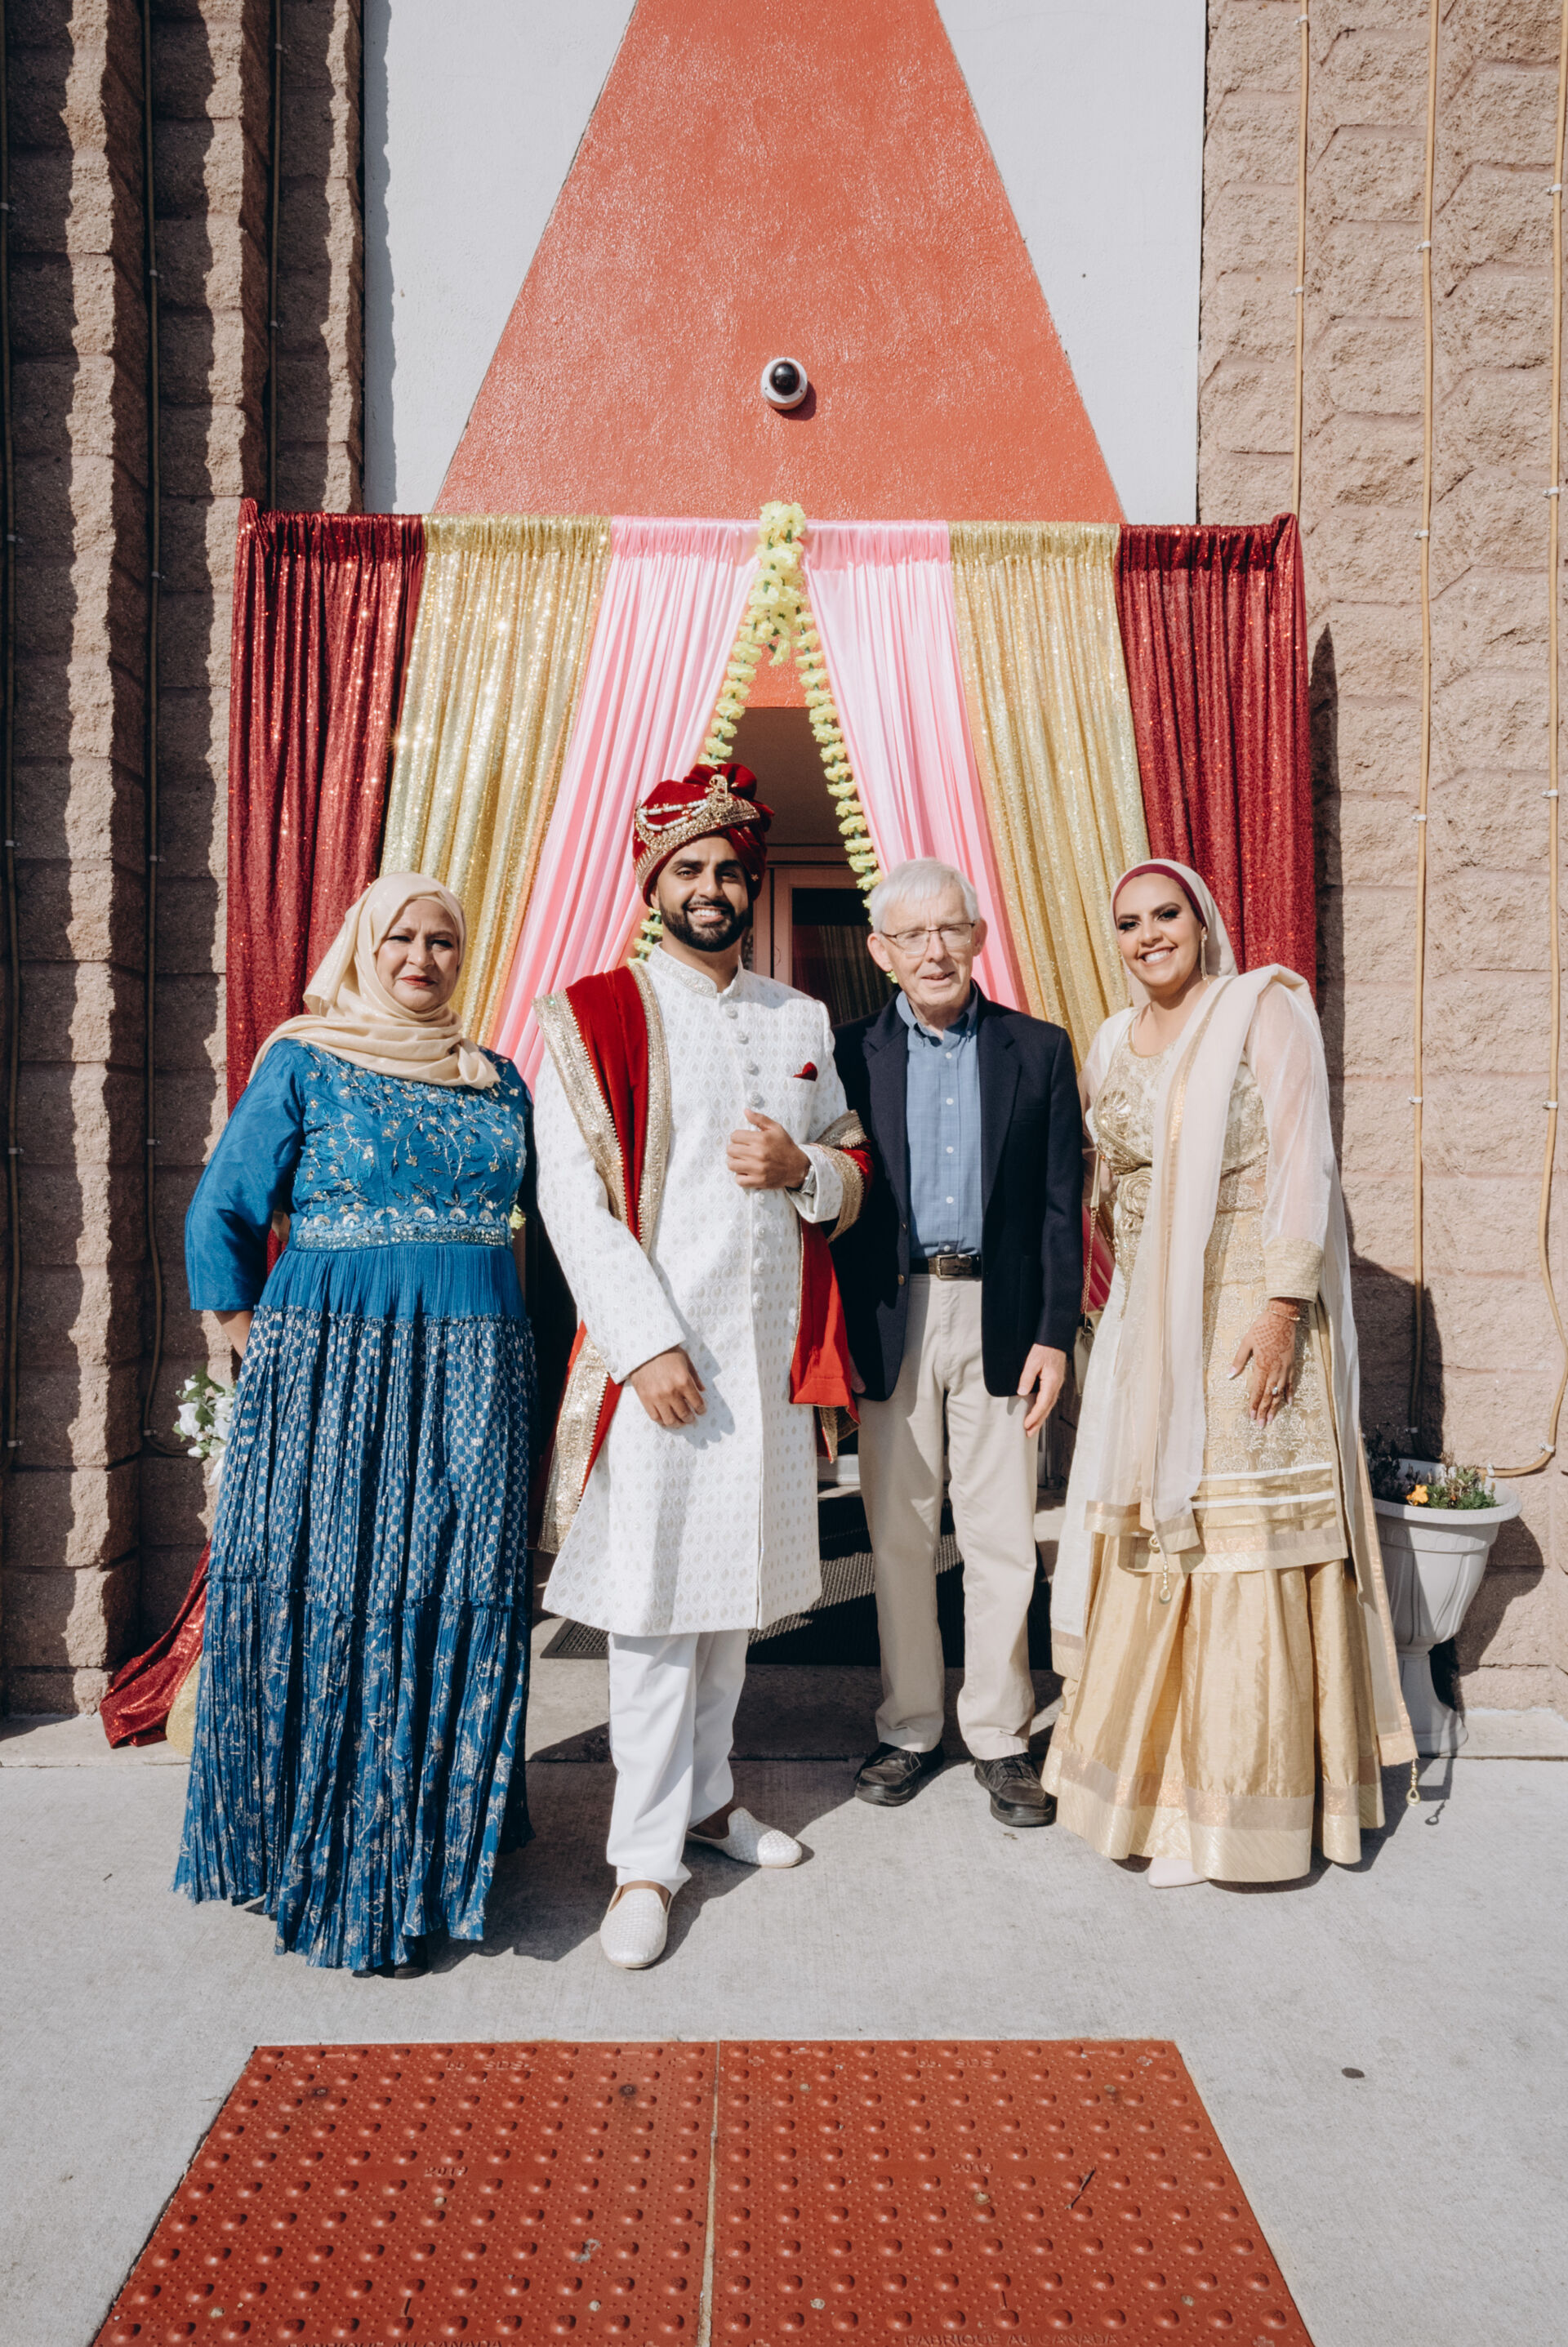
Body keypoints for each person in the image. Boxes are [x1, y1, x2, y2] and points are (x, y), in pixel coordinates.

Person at [533, 762, 871, 1971]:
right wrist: (645, 1346)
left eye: (730, 869)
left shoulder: (799, 1018)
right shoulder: (590, 1014)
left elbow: (848, 1155)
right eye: (690, 870)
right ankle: (642, 1860)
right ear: (653, 886)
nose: (713, 888)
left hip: (768, 1360)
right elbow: (571, 1200)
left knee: (734, 1604)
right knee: (653, 1611)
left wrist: (805, 1171)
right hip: (664, 1362)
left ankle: (713, 1803)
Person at [176, 875, 537, 1973]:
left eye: (444, 941)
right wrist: (248, 1338)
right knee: (348, 1588)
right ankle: (344, 1865)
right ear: (364, 948)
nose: (422, 957)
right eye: (402, 938)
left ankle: (441, 1845)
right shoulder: (307, 1059)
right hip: (337, 1369)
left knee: (453, 1582)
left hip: (477, 1369)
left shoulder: (497, 1078)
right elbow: (223, 1208)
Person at [1044, 859, 1414, 1884]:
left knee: (1239, 1532)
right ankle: (1161, 1799)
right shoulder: (1112, 1041)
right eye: (1129, 922)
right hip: (1150, 1316)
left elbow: (1305, 1160)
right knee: (1160, 1528)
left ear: (1202, 921)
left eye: (1166, 914)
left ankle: (1237, 1809)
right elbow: (1103, 1180)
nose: (1149, 935)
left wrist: (1285, 1310)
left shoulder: (1262, 1008)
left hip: (1248, 1301)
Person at [830, 858, 1082, 1826]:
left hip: (1001, 1315)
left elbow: (1061, 1207)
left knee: (1001, 1536)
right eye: (913, 935)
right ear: (881, 951)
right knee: (898, 1535)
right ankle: (908, 1726)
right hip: (891, 1315)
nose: (934, 950)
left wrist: (1055, 1334)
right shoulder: (847, 1053)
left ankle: (1001, 1734)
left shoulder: (1038, 1049)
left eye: (950, 929)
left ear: (977, 937)